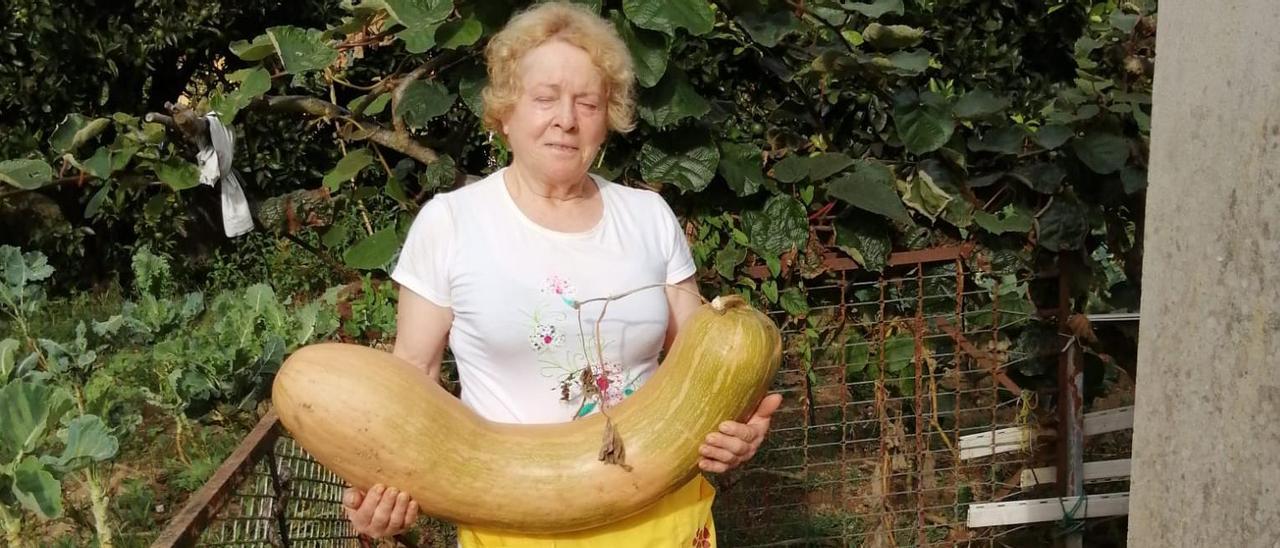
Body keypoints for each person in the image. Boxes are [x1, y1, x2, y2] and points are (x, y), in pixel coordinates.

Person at [340, 3, 783, 545]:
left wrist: (737, 426)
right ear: (505, 111)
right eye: (545, 98)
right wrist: (372, 491)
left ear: (609, 117)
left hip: (660, 520)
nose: (566, 119)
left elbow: (701, 357)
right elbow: (411, 376)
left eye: (588, 102)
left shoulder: (648, 217)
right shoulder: (451, 223)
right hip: (513, 525)